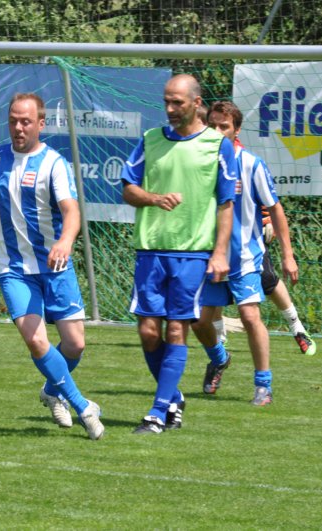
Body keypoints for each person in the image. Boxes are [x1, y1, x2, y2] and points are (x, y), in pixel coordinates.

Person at [0, 92, 104, 440]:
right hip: (14, 269)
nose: (18, 128)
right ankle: (84, 408)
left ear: (41, 123)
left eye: (25, 122)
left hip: (55, 265)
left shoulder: (54, 163)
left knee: (75, 345)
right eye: (13, 121)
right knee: (36, 341)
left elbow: (71, 211)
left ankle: (52, 391)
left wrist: (65, 241)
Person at [121, 74, 238, 434]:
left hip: (192, 254)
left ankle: (158, 413)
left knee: (176, 329)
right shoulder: (150, 139)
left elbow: (226, 204)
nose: (170, 109)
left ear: (196, 102)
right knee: (148, 332)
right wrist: (154, 198)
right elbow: (127, 188)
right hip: (150, 251)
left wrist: (220, 253)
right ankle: (173, 397)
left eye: (178, 102)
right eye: (167, 102)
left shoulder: (217, 146)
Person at [190, 100, 299, 406]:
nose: (217, 131)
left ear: (236, 130)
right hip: (208, 257)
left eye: (224, 126)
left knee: (250, 317)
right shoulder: (197, 161)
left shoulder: (251, 163)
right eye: (212, 125)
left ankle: (263, 385)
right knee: (198, 323)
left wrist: (287, 254)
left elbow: (275, 208)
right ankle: (219, 359)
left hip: (245, 258)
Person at [210, 205, 317, 356]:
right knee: (216, 281)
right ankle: (219, 337)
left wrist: (268, 219)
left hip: (248, 236)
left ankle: (297, 328)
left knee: (267, 279)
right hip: (215, 230)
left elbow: (270, 202)